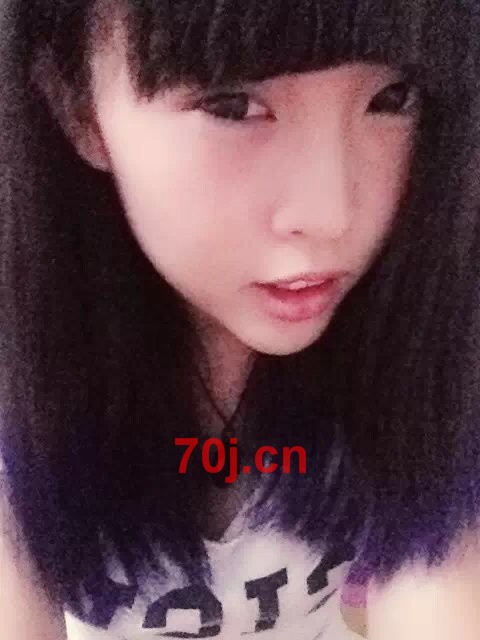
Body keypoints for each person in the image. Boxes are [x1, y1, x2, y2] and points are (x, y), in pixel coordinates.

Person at [1, 0, 480, 638]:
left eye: (392, 98)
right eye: (232, 105)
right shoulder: (22, 388)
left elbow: (437, 583)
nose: (330, 214)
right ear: (79, 107)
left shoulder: (423, 344)